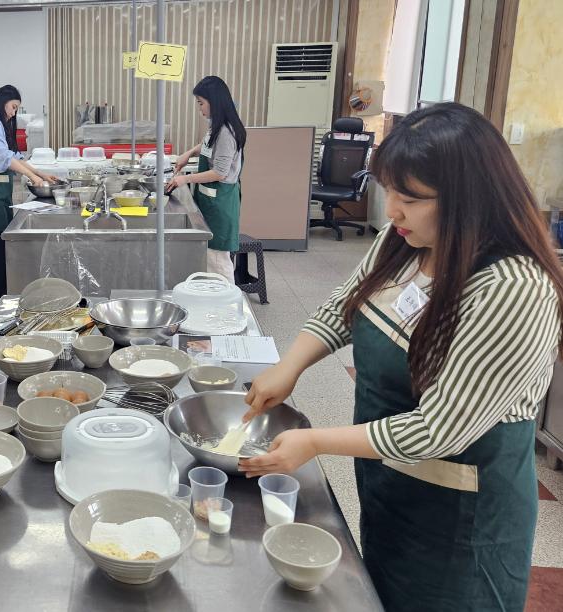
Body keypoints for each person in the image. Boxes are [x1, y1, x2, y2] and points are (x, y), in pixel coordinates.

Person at [240, 103, 563, 611]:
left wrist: (315, 441)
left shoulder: (512, 288)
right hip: (391, 478)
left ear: (469, 197)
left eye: (410, 198)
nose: (391, 211)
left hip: (462, 517)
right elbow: (347, 306)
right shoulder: (406, 239)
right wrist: (289, 366)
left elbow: (439, 429)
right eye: (388, 191)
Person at [0, 85, 57, 313]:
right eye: (13, 107)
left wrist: (40, 173)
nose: (14, 113)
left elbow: (11, 155)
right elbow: (0, 159)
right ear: (3, 100)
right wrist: (32, 177)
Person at [167, 76, 245, 282]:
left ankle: (227, 298)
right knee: (209, 258)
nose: (199, 108)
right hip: (210, 201)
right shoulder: (217, 126)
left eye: (201, 103)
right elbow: (207, 145)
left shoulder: (227, 132)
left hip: (220, 204)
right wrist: (188, 153)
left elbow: (219, 173)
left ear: (215, 101)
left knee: (218, 259)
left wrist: (186, 179)